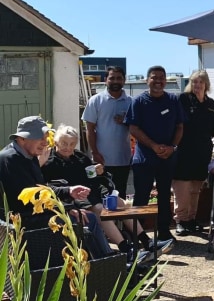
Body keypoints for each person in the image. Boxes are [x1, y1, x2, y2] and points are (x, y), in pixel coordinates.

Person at [41, 124, 173, 262]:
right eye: (64, 143)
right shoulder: (49, 161)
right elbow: (49, 186)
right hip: (74, 198)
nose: (68, 147)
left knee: (119, 202)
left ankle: (147, 242)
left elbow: (93, 174)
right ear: (56, 141)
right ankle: (126, 249)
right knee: (100, 210)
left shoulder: (79, 157)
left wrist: (99, 170)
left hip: (93, 192)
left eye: (72, 144)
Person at [0, 116, 113, 257]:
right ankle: (100, 262)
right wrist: (63, 210)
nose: (45, 142)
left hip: (36, 213)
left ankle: (105, 261)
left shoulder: (30, 155)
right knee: (81, 218)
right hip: (22, 220)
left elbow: (42, 188)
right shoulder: (11, 159)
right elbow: (27, 199)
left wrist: (69, 192)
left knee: (89, 217)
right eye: (40, 138)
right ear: (22, 139)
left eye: (46, 138)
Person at [125, 65, 184, 242]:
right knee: (142, 197)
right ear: (147, 80)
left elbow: (180, 126)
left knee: (165, 194)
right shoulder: (138, 101)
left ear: (166, 80)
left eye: (161, 78)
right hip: (144, 158)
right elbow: (133, 128)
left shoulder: (173, 100)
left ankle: (164, 231)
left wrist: (172, 147)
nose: (158, 81)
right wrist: (154, 146)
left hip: (167, 157)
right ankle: (138, 235)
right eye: (154, 77)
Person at [172, 70, 214, 236]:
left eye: (200, 82)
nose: (197, 85)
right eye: (194, 82)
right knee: (182, 188)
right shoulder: (183, 99)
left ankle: (191, 219)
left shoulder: (211, 104)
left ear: (206, 84)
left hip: (202, 152)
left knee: (196, 189)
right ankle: (181, 220)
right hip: (183, 151)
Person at [81, 66, 132, 199]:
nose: (115, 81)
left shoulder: (131, 102)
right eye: (112, 78)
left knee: (120, 194)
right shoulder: (95, 100)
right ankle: (103, 221)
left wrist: (126, 121)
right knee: (101, 195)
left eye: (119, 78)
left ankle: (120, 221)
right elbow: (90, 129)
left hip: (123, 159)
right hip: (101, 159)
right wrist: (95, 152)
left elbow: (138, 128)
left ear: (124, 80)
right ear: (105, 80)